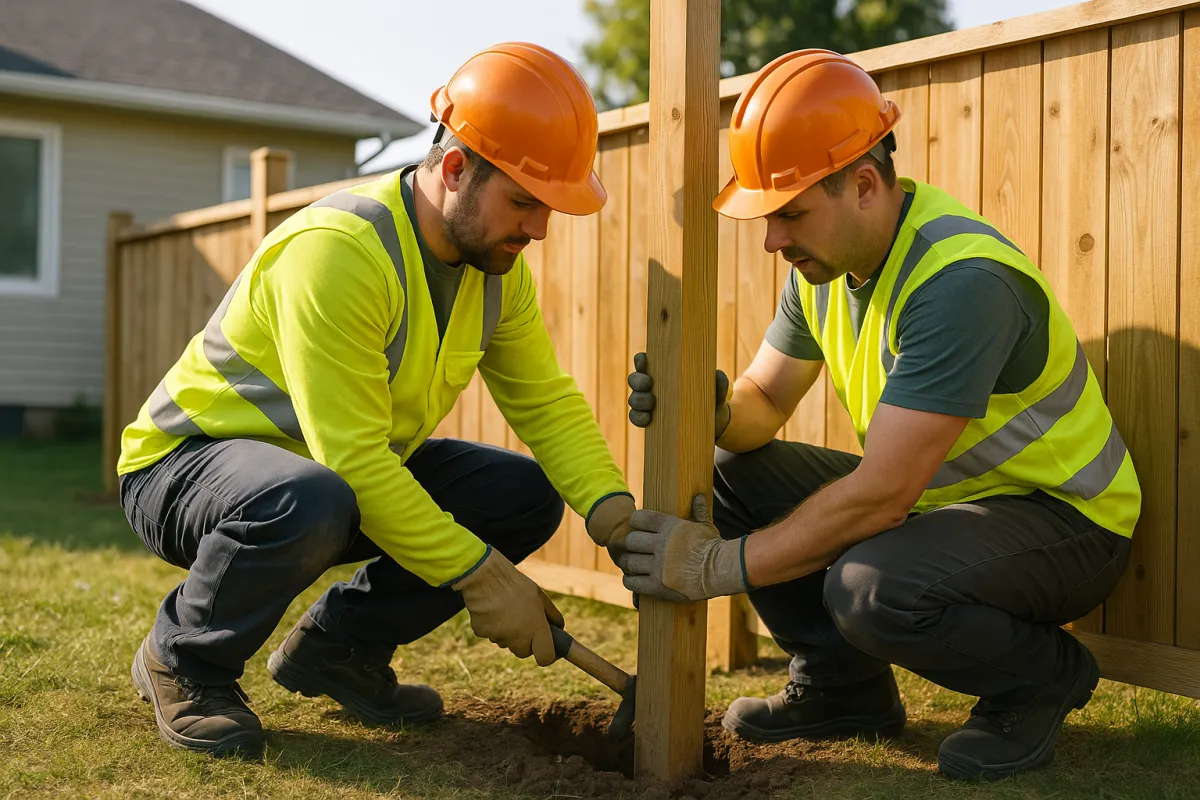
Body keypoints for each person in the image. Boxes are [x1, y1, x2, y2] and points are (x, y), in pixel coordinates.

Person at [621, 49, 1139, 782]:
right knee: (732, 471)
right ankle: (844, 687)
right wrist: (706, 410)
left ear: (864, 184)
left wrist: (716, 567)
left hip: (1066, 523)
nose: (773, 240)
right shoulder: (825, 272)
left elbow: (883, 493)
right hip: (948, 506)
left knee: (870, 587)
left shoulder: (960, 282)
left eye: (790, 213)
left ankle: (1040, 678)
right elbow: (763, 406)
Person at [117, 42, 635, 758]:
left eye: (548, 208)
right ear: (455, 169)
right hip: (185, 468)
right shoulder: (341, 252)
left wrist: (618, 518)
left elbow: (545, 403)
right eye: (524, 201)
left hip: (322, 479)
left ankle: (338, 649)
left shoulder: (495, 271)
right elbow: (355, 460)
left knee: (522, 495)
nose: (540, 229)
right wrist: (481, 576)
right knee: (312, 495)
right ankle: (183, 660)